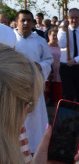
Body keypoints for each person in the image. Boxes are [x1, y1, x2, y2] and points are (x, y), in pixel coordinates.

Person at [13, 10, 53, 153]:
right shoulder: (10, 40)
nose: (26, 23)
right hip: (14, 88)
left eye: (29, 20)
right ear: (16, 22)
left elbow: (49, 60)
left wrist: (40, 66)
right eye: (23, 20)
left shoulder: (40, 41)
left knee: (35, 120)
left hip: (34, 87)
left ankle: (37, 148)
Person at [46, 27, 62, 104]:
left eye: (57, 35)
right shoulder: (45, 47)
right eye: (54, 35)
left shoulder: (61, 47)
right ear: (49, 36)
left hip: (58, 74)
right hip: (48, 73)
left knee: (57, 94)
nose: (55, 37)